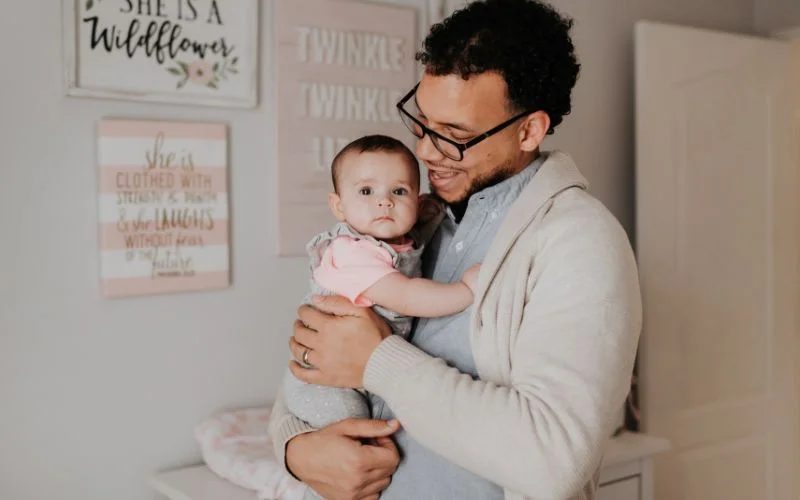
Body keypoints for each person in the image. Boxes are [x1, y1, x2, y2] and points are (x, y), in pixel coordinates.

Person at [269, 0, 642, 499]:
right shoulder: (412, 221)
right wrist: (297, 449)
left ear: (530, 129)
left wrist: (378, 358)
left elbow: (556, 461)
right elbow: (314, 373)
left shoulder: (579, 243)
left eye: (454, 136)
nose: (424, 150)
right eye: (422, 122)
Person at [281, 134, 479, 499]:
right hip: (327, 385)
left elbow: (421, 230)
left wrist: (434, 210)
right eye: (366, 192)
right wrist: (465, 293)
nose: (385, 201)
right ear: (338, 207)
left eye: (399, 192)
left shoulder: (398, 240)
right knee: (354, 450)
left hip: (358, 372)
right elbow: (405, 296)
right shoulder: (350, 252)